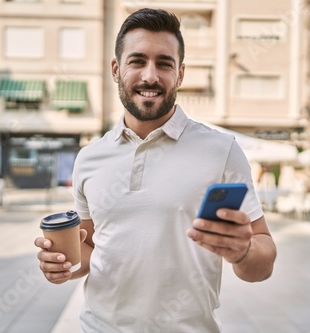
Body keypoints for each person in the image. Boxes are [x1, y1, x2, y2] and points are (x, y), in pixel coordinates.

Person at [35, 8, 276, 332]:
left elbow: (261, 264)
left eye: (164, 63)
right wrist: (63, 264)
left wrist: (244, 250)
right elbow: (90, 247)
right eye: (137, 61)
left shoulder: (221, 151)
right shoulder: (89, 157)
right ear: (116, 69)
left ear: (180, 74)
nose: (150, 76)